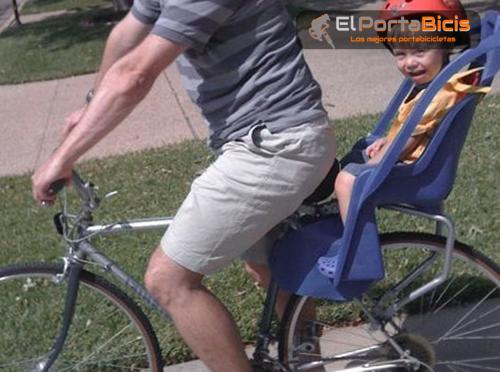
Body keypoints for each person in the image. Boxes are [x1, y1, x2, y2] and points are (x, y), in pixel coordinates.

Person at [31, 0, 336, 371]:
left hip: (276, 145)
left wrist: (61, 157)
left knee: (168, 280)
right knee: (268, 267)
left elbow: (136, 74)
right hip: (264, 139)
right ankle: (307, 361)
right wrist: (92, 103)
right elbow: (127, 33)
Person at [318, 0, 491, 278]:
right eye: (400, 54)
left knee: (348, 180)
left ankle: (357, 259)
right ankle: (348, 230)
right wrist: (387, 140)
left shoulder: (439, 93)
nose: (409, 62)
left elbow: (410, 140)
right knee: (353, 159)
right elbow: (410, 128)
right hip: (416, 161)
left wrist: (379, 162)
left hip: (417, 173)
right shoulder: (434, 85)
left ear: (446, 45)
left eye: (420, 51)